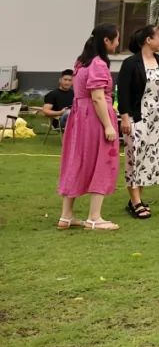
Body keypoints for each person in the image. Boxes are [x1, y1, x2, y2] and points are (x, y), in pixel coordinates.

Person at [56, 24, 122, 231]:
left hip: (79, 118)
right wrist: (109, 125)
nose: (118, 43)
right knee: (103, 161)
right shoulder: (98, 64)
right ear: (106, 41)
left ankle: (66, 216)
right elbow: (98, 97)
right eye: (116, 39)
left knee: (76, 160)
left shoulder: (80, 62)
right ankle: (94, 217)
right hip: (94, 118)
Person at [117, 25, 159, 220]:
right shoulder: (130, 63)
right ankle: (135, 202)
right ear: (148, 40)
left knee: (149, 159)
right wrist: (124, 116)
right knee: (135, 158)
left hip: (156, 119)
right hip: (136, 117)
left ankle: (136, 199)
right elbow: (123, 91)